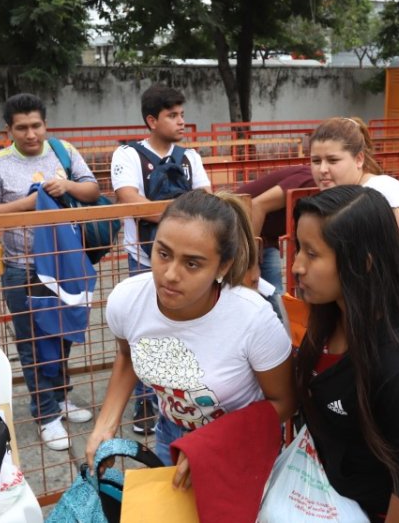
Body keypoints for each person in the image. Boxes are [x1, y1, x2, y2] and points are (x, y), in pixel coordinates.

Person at [85, 190, 294, 477]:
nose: (170, 274)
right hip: (171, 434)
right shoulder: (127, 300)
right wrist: (106, 424)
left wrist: (212, 444)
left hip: (243, 443)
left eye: (192, 263)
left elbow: (284, 401)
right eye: (163, 253)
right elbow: (128, 355)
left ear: (223, 266)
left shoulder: (254, 319)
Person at [292, 186, 399, 521]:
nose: (296, 266)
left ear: (363, 263)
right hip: (334, 502)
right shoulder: (330, 317)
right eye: (298, 249)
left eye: (312, 254)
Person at [0, 93, 99, 449]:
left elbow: (92, 189)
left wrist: (68, 186)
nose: (31, 134)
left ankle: (62, 397)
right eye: (22, 128)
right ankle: (45, 414)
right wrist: (28, 205)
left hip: (65, 265)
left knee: (63, 334)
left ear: (45, 124)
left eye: (36, 126)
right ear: (9, 130)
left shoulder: (63, 151)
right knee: (31, 343)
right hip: (22, 268)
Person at [110, 84, 212, 434]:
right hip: (145, 259)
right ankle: (145, 405)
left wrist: (168, 216)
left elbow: (207, 201)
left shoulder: (190, 157)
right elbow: (130, 200)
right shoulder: (128, 155)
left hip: (189, 261)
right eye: (172, 115)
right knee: (147, 335)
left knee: (186, 330)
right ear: (152, 120)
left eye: (182, 114)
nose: (181, 121)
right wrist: (187, 217)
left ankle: (182, 401)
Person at [309, 117, 399, 253]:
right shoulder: (345, 196)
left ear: (359, 159)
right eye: (316, 161)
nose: (322, 169)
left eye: (333, 160)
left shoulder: (387, 193)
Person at [235, 165, 315, 317]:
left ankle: (281, 334)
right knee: (259, 293)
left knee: (274, 294)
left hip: (266, 238)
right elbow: (257, 205)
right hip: (240, 234)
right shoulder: (310, 179)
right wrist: (251, 262)